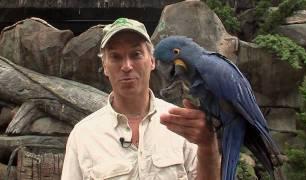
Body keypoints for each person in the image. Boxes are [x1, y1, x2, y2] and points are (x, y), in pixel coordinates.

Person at [61, 17, 221, 180]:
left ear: (152, 61)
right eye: (116, 57)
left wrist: (208, 146)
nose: (126, 66)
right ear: (105, 67)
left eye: (136, 54)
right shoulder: (84, 135)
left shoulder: (181, 124)